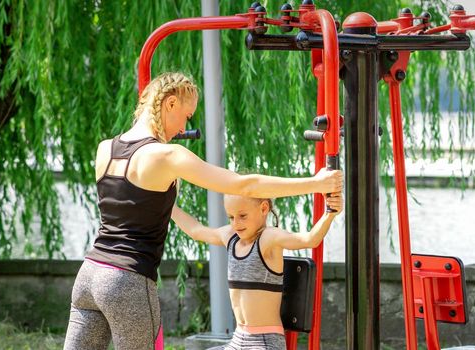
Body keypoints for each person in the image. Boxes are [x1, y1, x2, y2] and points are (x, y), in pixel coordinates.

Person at [63, 72, 343, 350]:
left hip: (89, 275)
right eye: (186, 116)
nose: (185, 128)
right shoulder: (167, 155)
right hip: (127, 281)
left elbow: (136, 206)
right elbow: (245, 185)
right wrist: (316, 183)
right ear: (170, 104)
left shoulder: (105, 149)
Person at [171, 192, 343, 350]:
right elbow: (196, 231)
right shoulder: (231, 237)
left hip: (265, 341)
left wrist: (330, 213)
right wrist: (166, 203)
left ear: (263, 208)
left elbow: (309, 239)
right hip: (238, 339)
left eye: (242, 216)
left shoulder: (269, 238)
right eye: (231, 217)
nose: (236, 223)